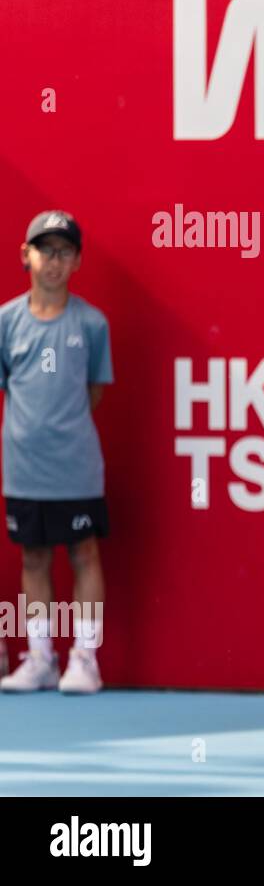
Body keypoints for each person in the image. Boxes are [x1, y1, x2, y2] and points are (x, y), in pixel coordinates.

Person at [0, 210, 113, 695]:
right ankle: (41, 658)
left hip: (76, 467)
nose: (54, 260)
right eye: (45, 249)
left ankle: (85, 660)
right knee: (34, 557)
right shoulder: (5, 322)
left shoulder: (91, 324)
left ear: (77, 260)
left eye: (64, 251)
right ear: (26, 255)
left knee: (84, 553)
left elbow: (93, 391)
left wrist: (61, 429)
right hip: (24, 468)